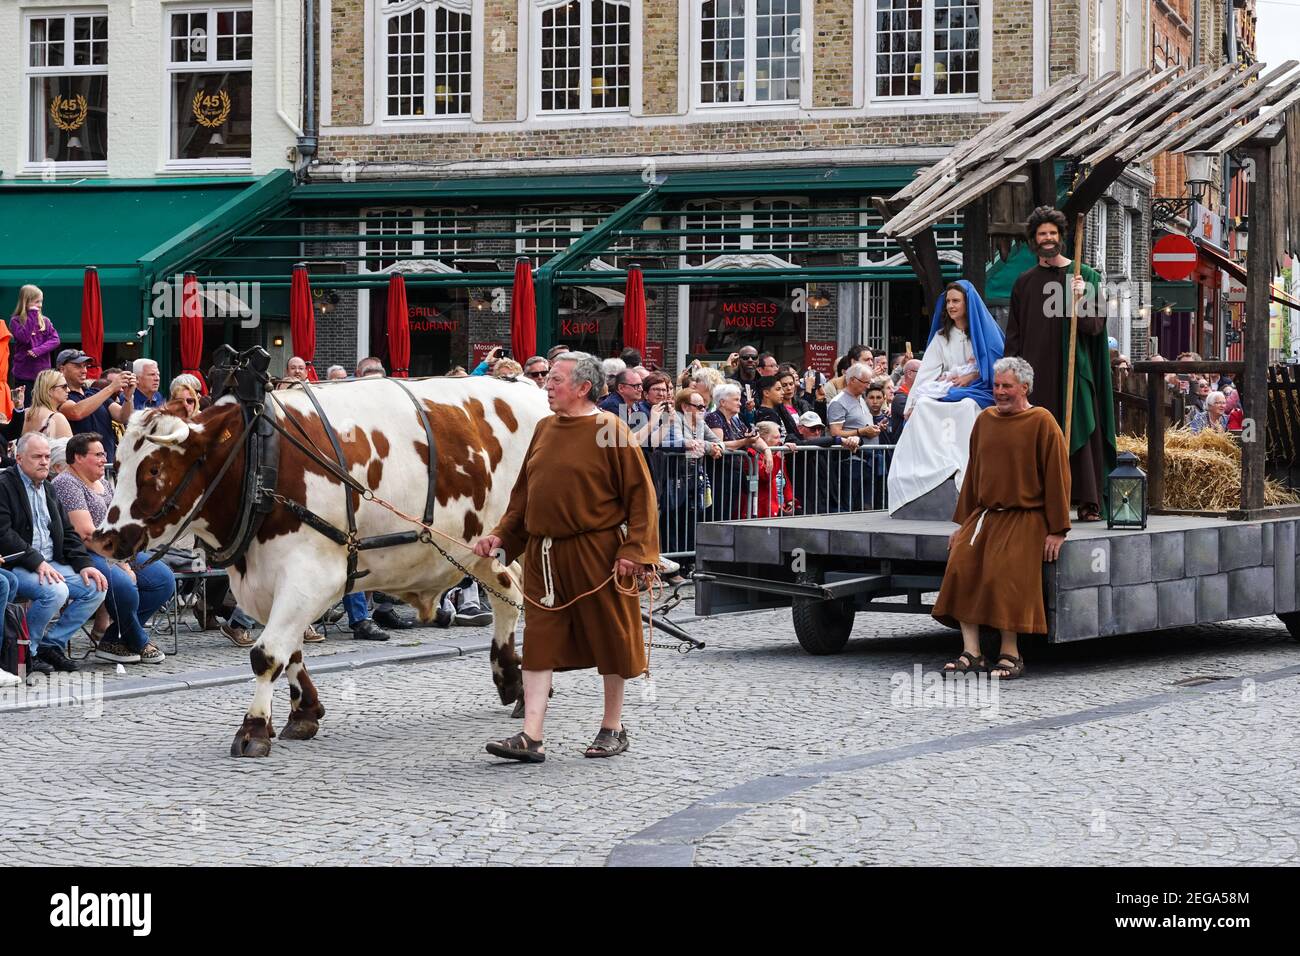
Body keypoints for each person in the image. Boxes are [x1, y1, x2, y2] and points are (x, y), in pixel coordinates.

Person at [475, 351, 659, 763]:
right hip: (544, 555)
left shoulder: (610, 430)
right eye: (548, 379)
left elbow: (641, 498)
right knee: (539, 641)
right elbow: (523, 497)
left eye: (556, 380)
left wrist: (634, 551)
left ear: (583, 387)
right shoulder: (543, 429)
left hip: (598, 553)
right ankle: (531, 736)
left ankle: (613, 727)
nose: (547, 386)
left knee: (611, 636)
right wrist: (501, 538)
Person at [932, 357, 1071, 681]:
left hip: (1025, 516)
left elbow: (1057, 478)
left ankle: (1011, 652)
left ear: (1024, 387)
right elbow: (974, 474)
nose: (1000, 392)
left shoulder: (1042, 421)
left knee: (1005, 571)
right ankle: (972, 651)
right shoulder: (985, 421)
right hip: (985, 515)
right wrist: (962, 524)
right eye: (996, 386)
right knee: (961, 565)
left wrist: (1057, 530)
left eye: (1006, 386)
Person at [1005, 205, 1116, 522]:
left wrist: (1080, 299)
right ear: (1034, 240)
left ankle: (1086, 500)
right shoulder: (1024, 284)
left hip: (1075, 372)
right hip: (1037, 373)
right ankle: (1042, 497)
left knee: (1080, 425)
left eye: (1053, 233)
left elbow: (1094, 327)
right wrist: (1012, 376)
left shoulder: (1086, 276)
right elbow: (1014, 335)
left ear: (1061, 237)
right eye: (1042, 233)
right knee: (1040, 435)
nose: (1048, 238)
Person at [53, 432, 175, 665]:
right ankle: (138, 640)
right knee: (123, 585)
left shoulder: (100, 482)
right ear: (78, 457)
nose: (103, 459)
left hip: (115, 549)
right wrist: (120, 562)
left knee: (163, 579)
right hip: (83, 553)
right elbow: (87, 534)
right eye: (98, 455)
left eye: (104, 454)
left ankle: (113, 640)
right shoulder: (67, 483)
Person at [888, 280, 1004, 515]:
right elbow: (927, 372)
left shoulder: (984, 333)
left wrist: (972, 376)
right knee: (924, 407)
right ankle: (924, 469)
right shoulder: (942, 337)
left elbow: (996, 364)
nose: (951, 306)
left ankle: (966, 465)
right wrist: (912, 404)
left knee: (967, 406)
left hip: (978, 390)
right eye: (948, 301)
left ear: (967, 304)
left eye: (956, 301)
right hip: (948, 388)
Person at [0, 433, 108, 674]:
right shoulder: (5, 485)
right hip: (17, 563)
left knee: (96, 587)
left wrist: (84, 564)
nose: (44, 462)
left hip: (51, 561)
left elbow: (67, 532)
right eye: (37, 456)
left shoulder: (48, 487)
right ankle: (25, 651)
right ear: (18, 458)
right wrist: (37, 562)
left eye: (47, 456)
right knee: (54, 592)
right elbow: (3, 535)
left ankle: (51, 645)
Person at [56, 349, 135, 470]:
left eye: (85, 366)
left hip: (106, 465)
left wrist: (128, 398)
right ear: (62, 369)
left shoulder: (95, 392)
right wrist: (111, 387)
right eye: (78, 366)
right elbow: (76, 412)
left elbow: (122, 416)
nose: (84, 371)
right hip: (80, 468)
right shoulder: (60, 396)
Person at [9, 285, 61, 397]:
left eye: (41, 301)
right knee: (26, 405)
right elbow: (24, 338)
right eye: (37, 301)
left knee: (43, 404)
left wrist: (38, 350)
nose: (40, 305)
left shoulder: (45, 321)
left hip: (43, 375)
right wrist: (32, 315)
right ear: (26, 302)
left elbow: (55, 340)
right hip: (23, 374)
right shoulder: (15, 321)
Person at [21, 369, 73, 439]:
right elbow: (70, 449)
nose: (68, 390)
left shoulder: (24, 413)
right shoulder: (57, 418)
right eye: (64, 387)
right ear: (49, 390)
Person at [888, 359, 921, 444]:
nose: (924, 376)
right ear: (910, 373)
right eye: (921, 372)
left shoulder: (911, 395)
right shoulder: (900, 398)